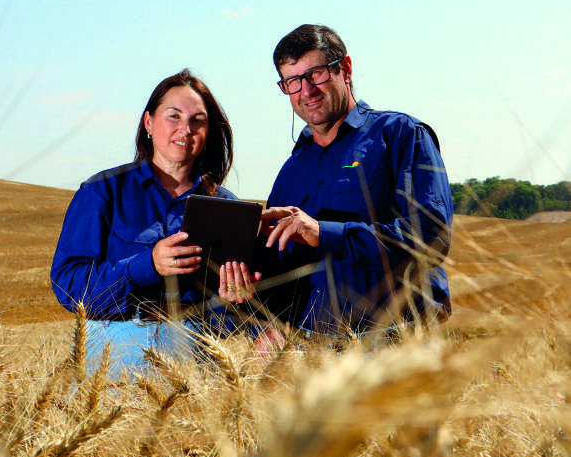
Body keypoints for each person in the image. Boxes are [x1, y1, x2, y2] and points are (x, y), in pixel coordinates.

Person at [220, 24, 451, 341]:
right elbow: (283, 275)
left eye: (316, 74)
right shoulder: (291, 171)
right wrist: (246, 283)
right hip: (313, 354)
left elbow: (432, 236)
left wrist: (322, 233)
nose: (306, 91)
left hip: (398, 343)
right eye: (292, 82)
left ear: (345, 68)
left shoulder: (399, 134)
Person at [50, 69, 240, 375]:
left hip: (197, 355)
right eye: (173, 116)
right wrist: (147, 265)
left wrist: (233, 301)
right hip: (115, 352)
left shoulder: (226, 207)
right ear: (148, 123)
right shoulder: (102, 191)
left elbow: (232, 316)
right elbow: (69, 285)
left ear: (208, 135)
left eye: (197, 120)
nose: (185, 129)